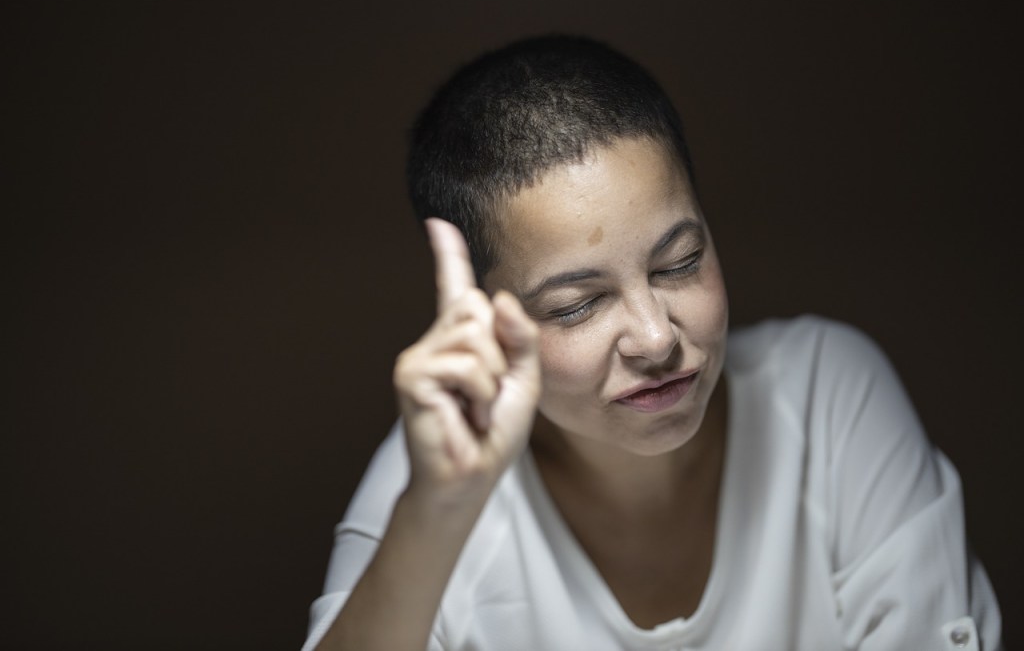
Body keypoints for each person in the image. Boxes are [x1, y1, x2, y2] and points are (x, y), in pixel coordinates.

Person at [302, 35, 1002, 650]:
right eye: (577, 306)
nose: (656, 336)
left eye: (679, 263)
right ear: (488, 325)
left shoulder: (827, 397)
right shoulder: (433, 476)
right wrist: (435, 514)